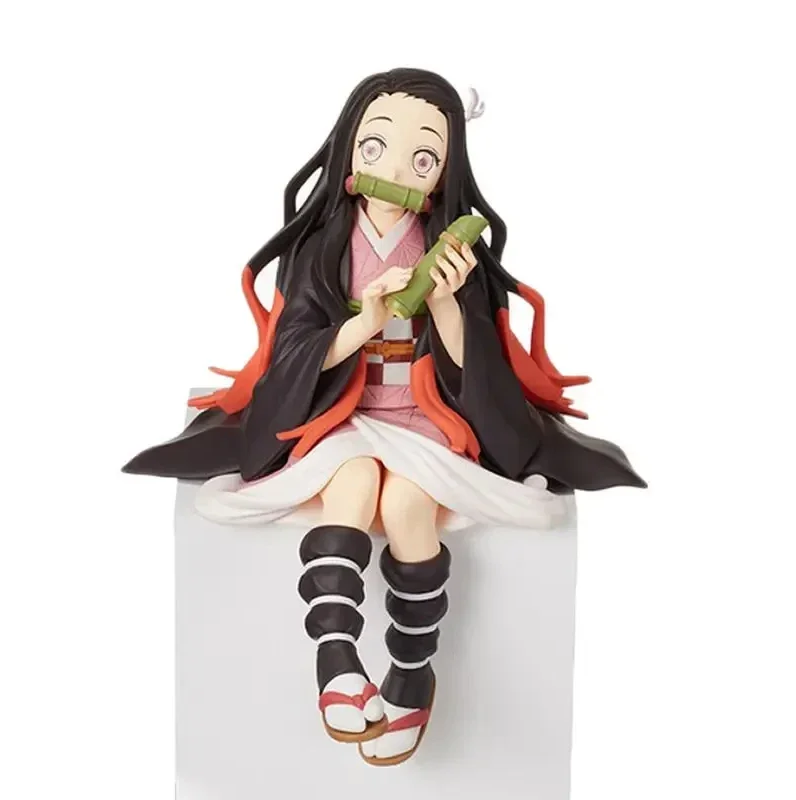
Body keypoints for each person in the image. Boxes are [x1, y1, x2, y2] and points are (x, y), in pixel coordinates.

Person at [123, 67, 645, 766]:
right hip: (345, 409)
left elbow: (479, 365)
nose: (395, 171)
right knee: (351, 485)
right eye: (376, 149)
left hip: (421, 414)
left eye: (421, 158)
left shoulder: (452, 251)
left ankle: (411, 671)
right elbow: (294, 349)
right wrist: (360, 323)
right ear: (349, 151)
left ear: (443, 173)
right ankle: (337, 661)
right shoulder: (320, 248)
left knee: (405, 506)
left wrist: (446, 306)